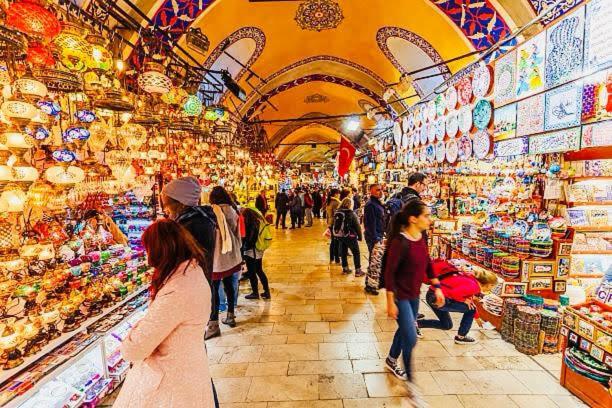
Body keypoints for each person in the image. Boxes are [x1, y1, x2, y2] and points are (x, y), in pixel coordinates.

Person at [113, 219, 214, 408]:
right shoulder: (193, 271)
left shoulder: (176, 290)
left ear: (161, 250)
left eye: (148, 249)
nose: (148, 257)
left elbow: (133, 349)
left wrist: (134, 332)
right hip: (188, 373)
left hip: (171, 386)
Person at [160, 177, 219, 407]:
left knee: (194, 361)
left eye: (167, 202)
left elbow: (184, 261)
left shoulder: (191, 225)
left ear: (178, 202)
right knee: (196, 358)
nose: (165, 207)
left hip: (190, 296)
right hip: (197, 293)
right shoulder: (198, 220)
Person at [384, 200, 444, 391]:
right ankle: (411, 383)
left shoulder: (421, 237)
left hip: (414, 295)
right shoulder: (399, 242)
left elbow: (427, 262)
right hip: (400, 296)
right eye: (426, 215)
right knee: (411, 338)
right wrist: (389, 302)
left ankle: (391, 359)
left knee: (404, 329)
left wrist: (437, 286)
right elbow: (389, 273)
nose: (429, 219)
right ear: (413, 218)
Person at [418, 261, 498, 344]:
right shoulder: (475, 287)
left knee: (447, 325)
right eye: (492, 286)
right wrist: (464, 300)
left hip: (432, 295)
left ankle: (417, 324)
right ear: (488, 284)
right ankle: (461, 337)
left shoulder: (471, 279)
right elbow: (454, 293)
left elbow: (470, 303)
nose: (491, 289)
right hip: (438, 298)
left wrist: (477, 319)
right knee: (470, 310)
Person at [208, 186, 243, 337]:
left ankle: (213, 323)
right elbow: (237, 232)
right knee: (229, 285)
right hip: (231, 254)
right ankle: (230, 315)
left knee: (213, 289)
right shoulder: (232, 210)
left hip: (216, 256)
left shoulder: (211, 212)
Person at [241, 207, 271, 300]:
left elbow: (250, 240)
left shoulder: (251, 224)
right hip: (259, 250)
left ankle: (255, 293)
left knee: (252, 273)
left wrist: (244, 249)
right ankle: (266, 291)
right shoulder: (259, 221)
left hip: (252, 252)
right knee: (259, 270)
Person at [333, 197, 363, 276]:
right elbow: (357, 226)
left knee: (343, 252)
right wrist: (360, 237)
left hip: (340, 236)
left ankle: (345, 269)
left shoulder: (337, 212)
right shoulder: (351, 213)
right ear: (349, 204)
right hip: (350, 236)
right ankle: (358, 270)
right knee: (356, 252)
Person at [363, 184, 385, 254]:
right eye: (378, 190)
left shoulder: (377, 203)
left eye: (381, 189)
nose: (381, 192)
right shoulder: (371, 205)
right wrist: (376, 239)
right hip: (374, 237)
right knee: (374, 258)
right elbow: (370, 224)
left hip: (379, 235)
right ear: (371, 191)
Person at [326, 188, 341, 264]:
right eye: (338, 193)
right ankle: (337, 259)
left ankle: (332, 258)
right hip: (335, 223)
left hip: (330, 223)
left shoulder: (329, 201)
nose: (339, 195)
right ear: (335, 194)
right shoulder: (335, 202)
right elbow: (337, 214)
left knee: (333, 241)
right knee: (336, 242)